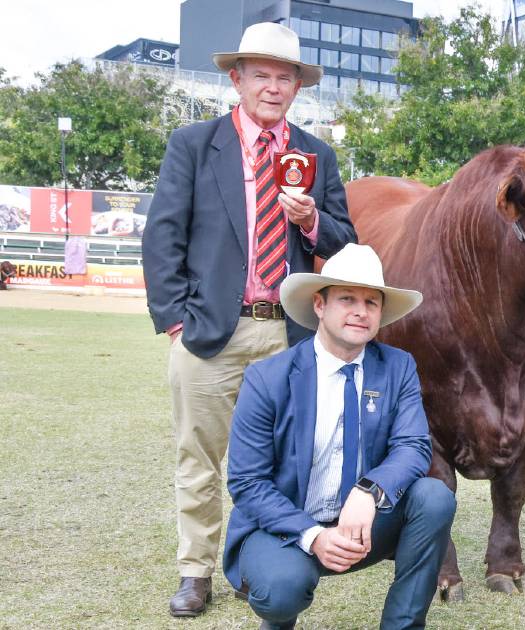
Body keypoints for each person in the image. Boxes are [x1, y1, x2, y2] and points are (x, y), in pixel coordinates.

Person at [142, 21, 357, 617]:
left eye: (283, 77)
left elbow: (344, 246)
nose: (272, 86)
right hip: (210, 329)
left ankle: (253, 560)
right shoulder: (193, 143)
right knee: (200, 456)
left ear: (297, 87)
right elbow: (163, 238)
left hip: (288, 334)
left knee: (280, 459)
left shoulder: (316, 154)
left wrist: (313, 220)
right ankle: (194, 569)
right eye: (260, 74)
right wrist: (176, 320)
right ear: (236, 79)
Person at [224, 243, 456, 629]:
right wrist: (313, 536)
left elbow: (413, 446)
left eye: (371, 302)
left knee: (434, 498)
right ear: (319, 305)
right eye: (347, 298)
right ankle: (280, 607)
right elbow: (247, 483)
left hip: (364, 524)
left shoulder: (397, 367)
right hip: (286, 529)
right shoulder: (267, 378)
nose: (360, 312)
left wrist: (370, 491)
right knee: (282, 589)